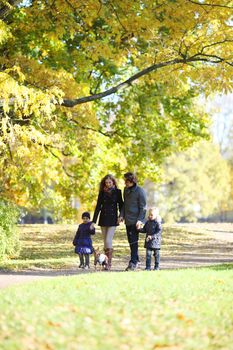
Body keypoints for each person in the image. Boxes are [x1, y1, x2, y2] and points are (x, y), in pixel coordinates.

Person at [92, 174, 123, 270]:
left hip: (113, 219)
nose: (108, 184)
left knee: (108, 240)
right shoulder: (102, 192)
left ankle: (108, 264)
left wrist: (121, 216)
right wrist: (93, 221)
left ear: (113, 182)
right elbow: (98, 206)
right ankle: (105, 263)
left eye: (110, 182)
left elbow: (121, 205)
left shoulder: (118, 192)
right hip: (103, 218)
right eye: (106, 182)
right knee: (105, 241)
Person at [119, 172, 147, 271]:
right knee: (131, 242)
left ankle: (133, 263)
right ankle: (137, 259)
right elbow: (124, 204)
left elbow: (143, 208)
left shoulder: (140, 191)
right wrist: (121, 215)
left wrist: (140, 220)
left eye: (126, 180)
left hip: (136, 221)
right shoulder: (125, 190)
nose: (124, 183)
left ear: (131, 181)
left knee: (134, 241)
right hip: (128, 220)